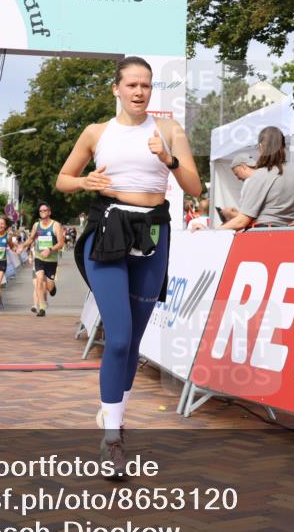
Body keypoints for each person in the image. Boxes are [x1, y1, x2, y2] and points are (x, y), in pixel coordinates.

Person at [56, 55, 202, 472]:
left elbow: (194, 186)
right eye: (132, 85)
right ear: (116, 89)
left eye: (146, 86)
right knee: (117, 338)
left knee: (134, 342)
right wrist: (85, 181)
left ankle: (114, 416)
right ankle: (112, 439)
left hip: (154, 232)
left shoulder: (169, 130)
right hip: (108, 229)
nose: (140, 92)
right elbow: (63, 179)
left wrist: (168, 160)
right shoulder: (96, 132)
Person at [217, 126, 294, 231]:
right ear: (284, 147)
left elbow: (241, 221)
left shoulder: (259, 175)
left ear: (261, 147)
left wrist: (215, 230)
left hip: (263, 233)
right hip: (291, 233)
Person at [20, 203, 63, 317]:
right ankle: (42, 307)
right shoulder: (36, 225)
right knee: (39, 280)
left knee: (49, 286)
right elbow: (31, 239)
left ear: (49, 212)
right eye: (40, 211)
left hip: (51, 260)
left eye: (45, 210)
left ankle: (52, 288)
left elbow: (61, 243)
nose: (42, 212)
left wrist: (50, 249)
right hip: (39, 258)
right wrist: (22, 246)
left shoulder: (56, 225)